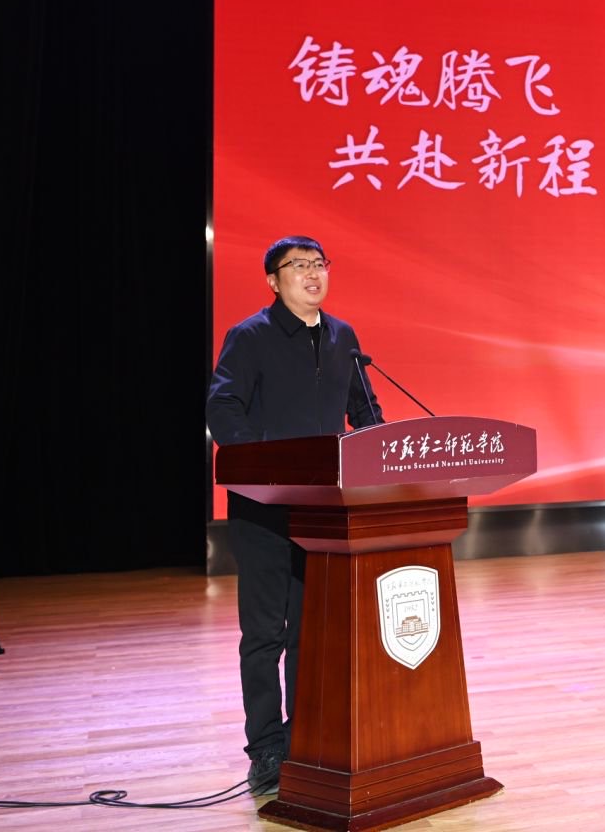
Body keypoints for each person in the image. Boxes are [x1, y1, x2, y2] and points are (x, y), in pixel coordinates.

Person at [205, 235, 382, 795]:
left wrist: (384, 453)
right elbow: (222, 407)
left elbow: (365, 411)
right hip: (262, 508)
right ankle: (265, 749)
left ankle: (303, 735)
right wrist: (262, 465)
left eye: (319, 264)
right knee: (264, 634)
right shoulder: (250, 336)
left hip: (322, 511)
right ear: (273, 280)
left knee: (310, 631)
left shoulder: (343, 337)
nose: (312, 274)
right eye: (298, 265)